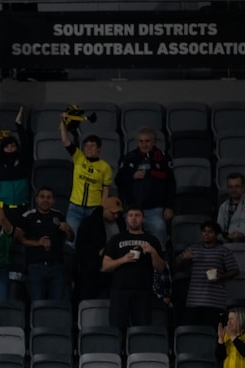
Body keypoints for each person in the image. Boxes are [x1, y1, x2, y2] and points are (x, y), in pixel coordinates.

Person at [102, 206, 166, 333]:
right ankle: (118, 352)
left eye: (137, 215)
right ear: (126, 219)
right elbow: (105, 266)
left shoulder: (151, 240)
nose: (134, 219)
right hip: (120, 291)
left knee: (142, 329)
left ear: (143, 219)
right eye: (130, 215)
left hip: (143, 291)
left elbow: (160, 268)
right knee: (117, 329)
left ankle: (139, 352)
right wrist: (123, 259)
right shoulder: (117, 239)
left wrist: (153, 252)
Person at [116, 127, 176, 247]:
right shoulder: (129, 157)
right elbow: (118, 180)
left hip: (155, 210)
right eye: (141, 141)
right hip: (133, 209)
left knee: (159, 232)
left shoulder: (163, 158)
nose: (144, 144)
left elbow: (171, 183)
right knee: (130, 242)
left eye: (147, 141)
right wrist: (132, 176)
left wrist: (169, 206)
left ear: (154, 142)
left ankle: (159, 261)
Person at [174, 220, 239, 327]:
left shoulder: (224, 251)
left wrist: (220, 277)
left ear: (216, 234)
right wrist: (182, 258)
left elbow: (235, 271)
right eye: (204, 231)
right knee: (194, 335)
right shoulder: (193, 249)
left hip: (215, 303)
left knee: (214, 336)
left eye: (210, 231)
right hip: (194, 301)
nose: (206, 234)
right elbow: (175, 266)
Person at [60, 113, 112, 243]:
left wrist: (102, 207)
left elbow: (105, 189)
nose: (89, 149)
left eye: (92, 146)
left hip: (94, 209)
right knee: (71, 239)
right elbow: (66, 141)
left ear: (99, 149)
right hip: (75, 208)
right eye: (86, 146)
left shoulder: (105, 167)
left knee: (93, 241)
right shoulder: (78, 157)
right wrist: (63, 122)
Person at [15, 187, 73, 301]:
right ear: (36, 199)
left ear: (53, 201)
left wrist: (68, 230)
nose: (45, 200)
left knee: (56, 305)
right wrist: (37, 243)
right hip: (36, 267)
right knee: (37, 304)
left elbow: (71, 238)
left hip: (57, 267)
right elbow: (18, 239)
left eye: (49, 197)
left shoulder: (59, 215)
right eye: (42, 197)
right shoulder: (28, 216)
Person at [74, 196, 125, 301]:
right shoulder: (89, 223)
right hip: (93, 268)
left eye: (118, 213)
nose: (116, 216)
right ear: (104, 209)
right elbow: (81, 247)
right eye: (113, 213)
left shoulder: (121, 223)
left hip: (114, 269)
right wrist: (98, 251)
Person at [0, 107, 32, 222]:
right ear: (3, 149)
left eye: (13, 146)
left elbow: (26, 144)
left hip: (22, 207)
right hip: (4, 208)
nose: (10, 149)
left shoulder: (23, 161)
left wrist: (18, 124)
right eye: (7, 147)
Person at [218, 172, 245, 244]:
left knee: (237, 241)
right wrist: (222, 238)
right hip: (229, 240)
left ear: (243, 187)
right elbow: (218, 230)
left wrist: (242, 234)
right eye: (230, 187)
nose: (233, 190)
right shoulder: (223, 206)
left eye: (236, 186)